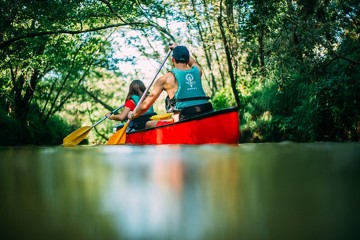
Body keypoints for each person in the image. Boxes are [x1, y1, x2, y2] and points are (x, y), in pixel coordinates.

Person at [127, 43, 212, 128]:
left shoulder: (165, 79)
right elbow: (193, 62)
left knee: (148, 124)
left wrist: (133, 114)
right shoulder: (198, 71)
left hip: (182, 122)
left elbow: (145, 106)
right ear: (187, 59)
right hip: (204, 115)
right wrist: (177, 48)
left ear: (173, 60)